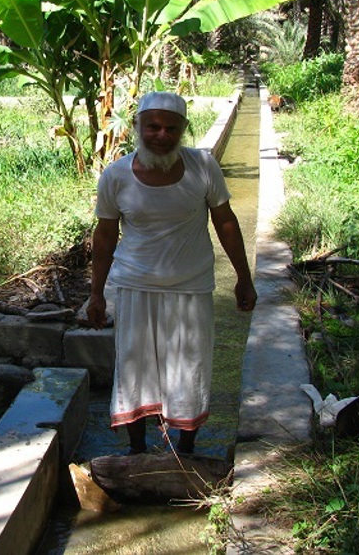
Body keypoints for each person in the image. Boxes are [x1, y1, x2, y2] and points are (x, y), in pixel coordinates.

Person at [86, 91, 257, 455]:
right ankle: (136, 452)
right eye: (153, 127)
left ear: (182, 131)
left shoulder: (203, 167)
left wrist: (244, 277)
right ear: (137, 127)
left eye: (171, 129)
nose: (161, 135)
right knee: (134, 369)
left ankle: (187, 451)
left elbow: (225, 222)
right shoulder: (116, 176)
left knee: (190, 367)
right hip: (134, 286)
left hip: (191, 287)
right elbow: (104, 237)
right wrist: (97, 293)